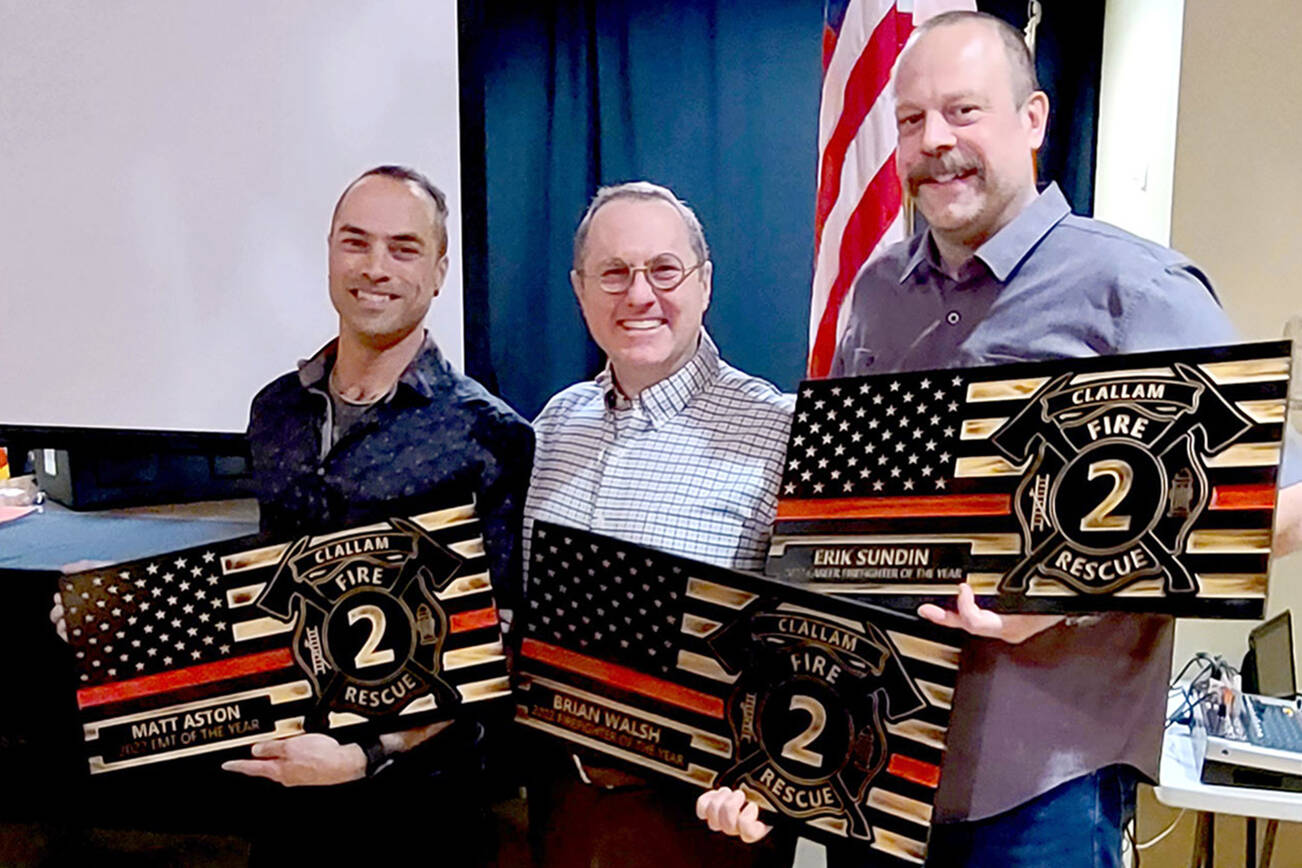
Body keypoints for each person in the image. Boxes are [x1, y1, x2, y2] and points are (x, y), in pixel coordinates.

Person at [696, 12, 1302, 867]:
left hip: (1041, 790)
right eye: (912, 120)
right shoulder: (875, 294)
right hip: (874, 765)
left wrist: (1069, 591)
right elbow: (829, 528)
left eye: (963, 111)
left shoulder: (1135, 290)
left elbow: (1276, 505)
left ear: (1034, 120)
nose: (935, 140)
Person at [50, 165, 533, 863]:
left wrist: (365, 753)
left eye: (403, 248)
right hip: (282, 782)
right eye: (354, 242)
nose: (374, 267)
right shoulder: (274, 410)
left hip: (419, 801)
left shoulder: (489, 434)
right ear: (330, 253)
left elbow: (492, 641)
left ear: (439, 271)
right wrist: (124, 612)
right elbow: (271, 587)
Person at [523, 181, 793, 867]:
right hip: (562, 801)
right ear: (580, 290)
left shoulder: (780, 434)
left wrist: (775, 783)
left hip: (702, 821)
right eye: (613, 273)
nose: (639, 295)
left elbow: (815, 648)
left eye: (663, 270)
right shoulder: (554, 426)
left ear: (704, 284)